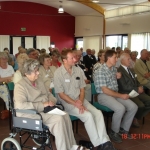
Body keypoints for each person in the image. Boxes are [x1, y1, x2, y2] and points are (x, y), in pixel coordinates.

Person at [13, 58, 86, 150]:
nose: (38, 73)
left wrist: (52, 101)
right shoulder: (20, 86)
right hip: (29, 113)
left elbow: (48, 94)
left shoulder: (39, 81)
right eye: (35, 72)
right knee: (58, 119)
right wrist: (43, 104)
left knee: (65, 115)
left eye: (38, 70)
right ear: (26, 73)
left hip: (45, 109)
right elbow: (20, 105)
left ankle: (72, 145)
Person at [54, 49, 116, 150]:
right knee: (88, 116)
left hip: (80, 100)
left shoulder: (78, 70)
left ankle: (105, 141)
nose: (75, 59)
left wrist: (81, 102)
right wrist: (76, 103)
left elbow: (82, 89)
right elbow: (61, 95)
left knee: (98, 113)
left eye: (75, 57)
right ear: (64, 60)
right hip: (68, 102)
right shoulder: (58, 73)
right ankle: (97, 144)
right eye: (72, 58)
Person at [94, 50, 138, 143]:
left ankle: (123, 129)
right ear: (109, 58)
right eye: (115, 57)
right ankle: (114, 132)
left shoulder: (114, 68)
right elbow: (105, 90)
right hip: (104, 95)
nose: (117, 59)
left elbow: (117, 75)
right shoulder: (100, 71)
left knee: (133, 107)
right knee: (120, 108)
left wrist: (118, 75)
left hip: (115, 94)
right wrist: (121, 95)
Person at [117, 53, 150, 127]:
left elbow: (136, 80)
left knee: (149, 101)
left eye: (130, 59)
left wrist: (140, 86)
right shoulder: (119, 71)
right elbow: (124, 87)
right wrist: (137, 89)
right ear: (122, 60)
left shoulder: (131, 69)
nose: (130, 60)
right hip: (128, 93)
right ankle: (134, 117)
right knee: (140, 106)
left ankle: (135, 116)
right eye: (128, 59)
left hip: (136, 91)